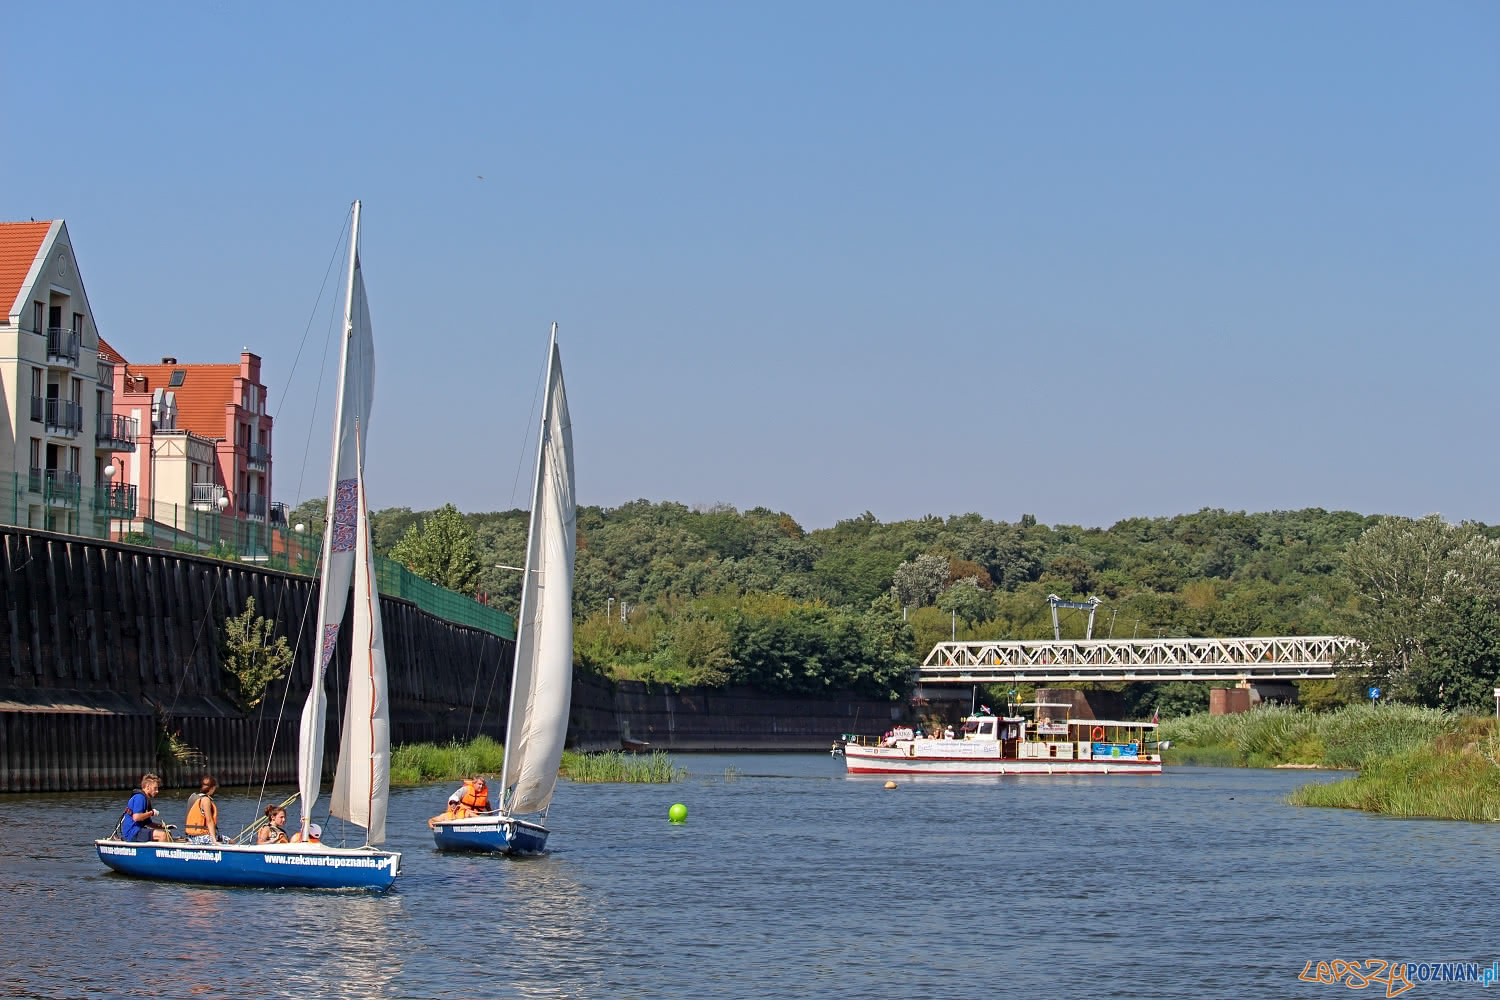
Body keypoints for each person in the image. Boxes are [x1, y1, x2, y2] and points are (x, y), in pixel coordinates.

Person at [120, 773, 171, 842]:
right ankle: (160, 852)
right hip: (132, 832)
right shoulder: (140, 797)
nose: (157, 791)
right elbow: (136, 817)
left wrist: (164, 826)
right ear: (147, 787)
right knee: (162, 835)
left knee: (168, 833)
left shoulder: (145, 799)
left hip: (138, 830)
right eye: (155, 788)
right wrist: (152, 812)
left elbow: (148, 823)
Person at [184, 776, 225, 844]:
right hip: (201, 837)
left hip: (190, 837)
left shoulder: (193, 797)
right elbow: (209, 821)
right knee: (230, 841)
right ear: (213, 788)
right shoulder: (206, 800)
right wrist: (214, 840)